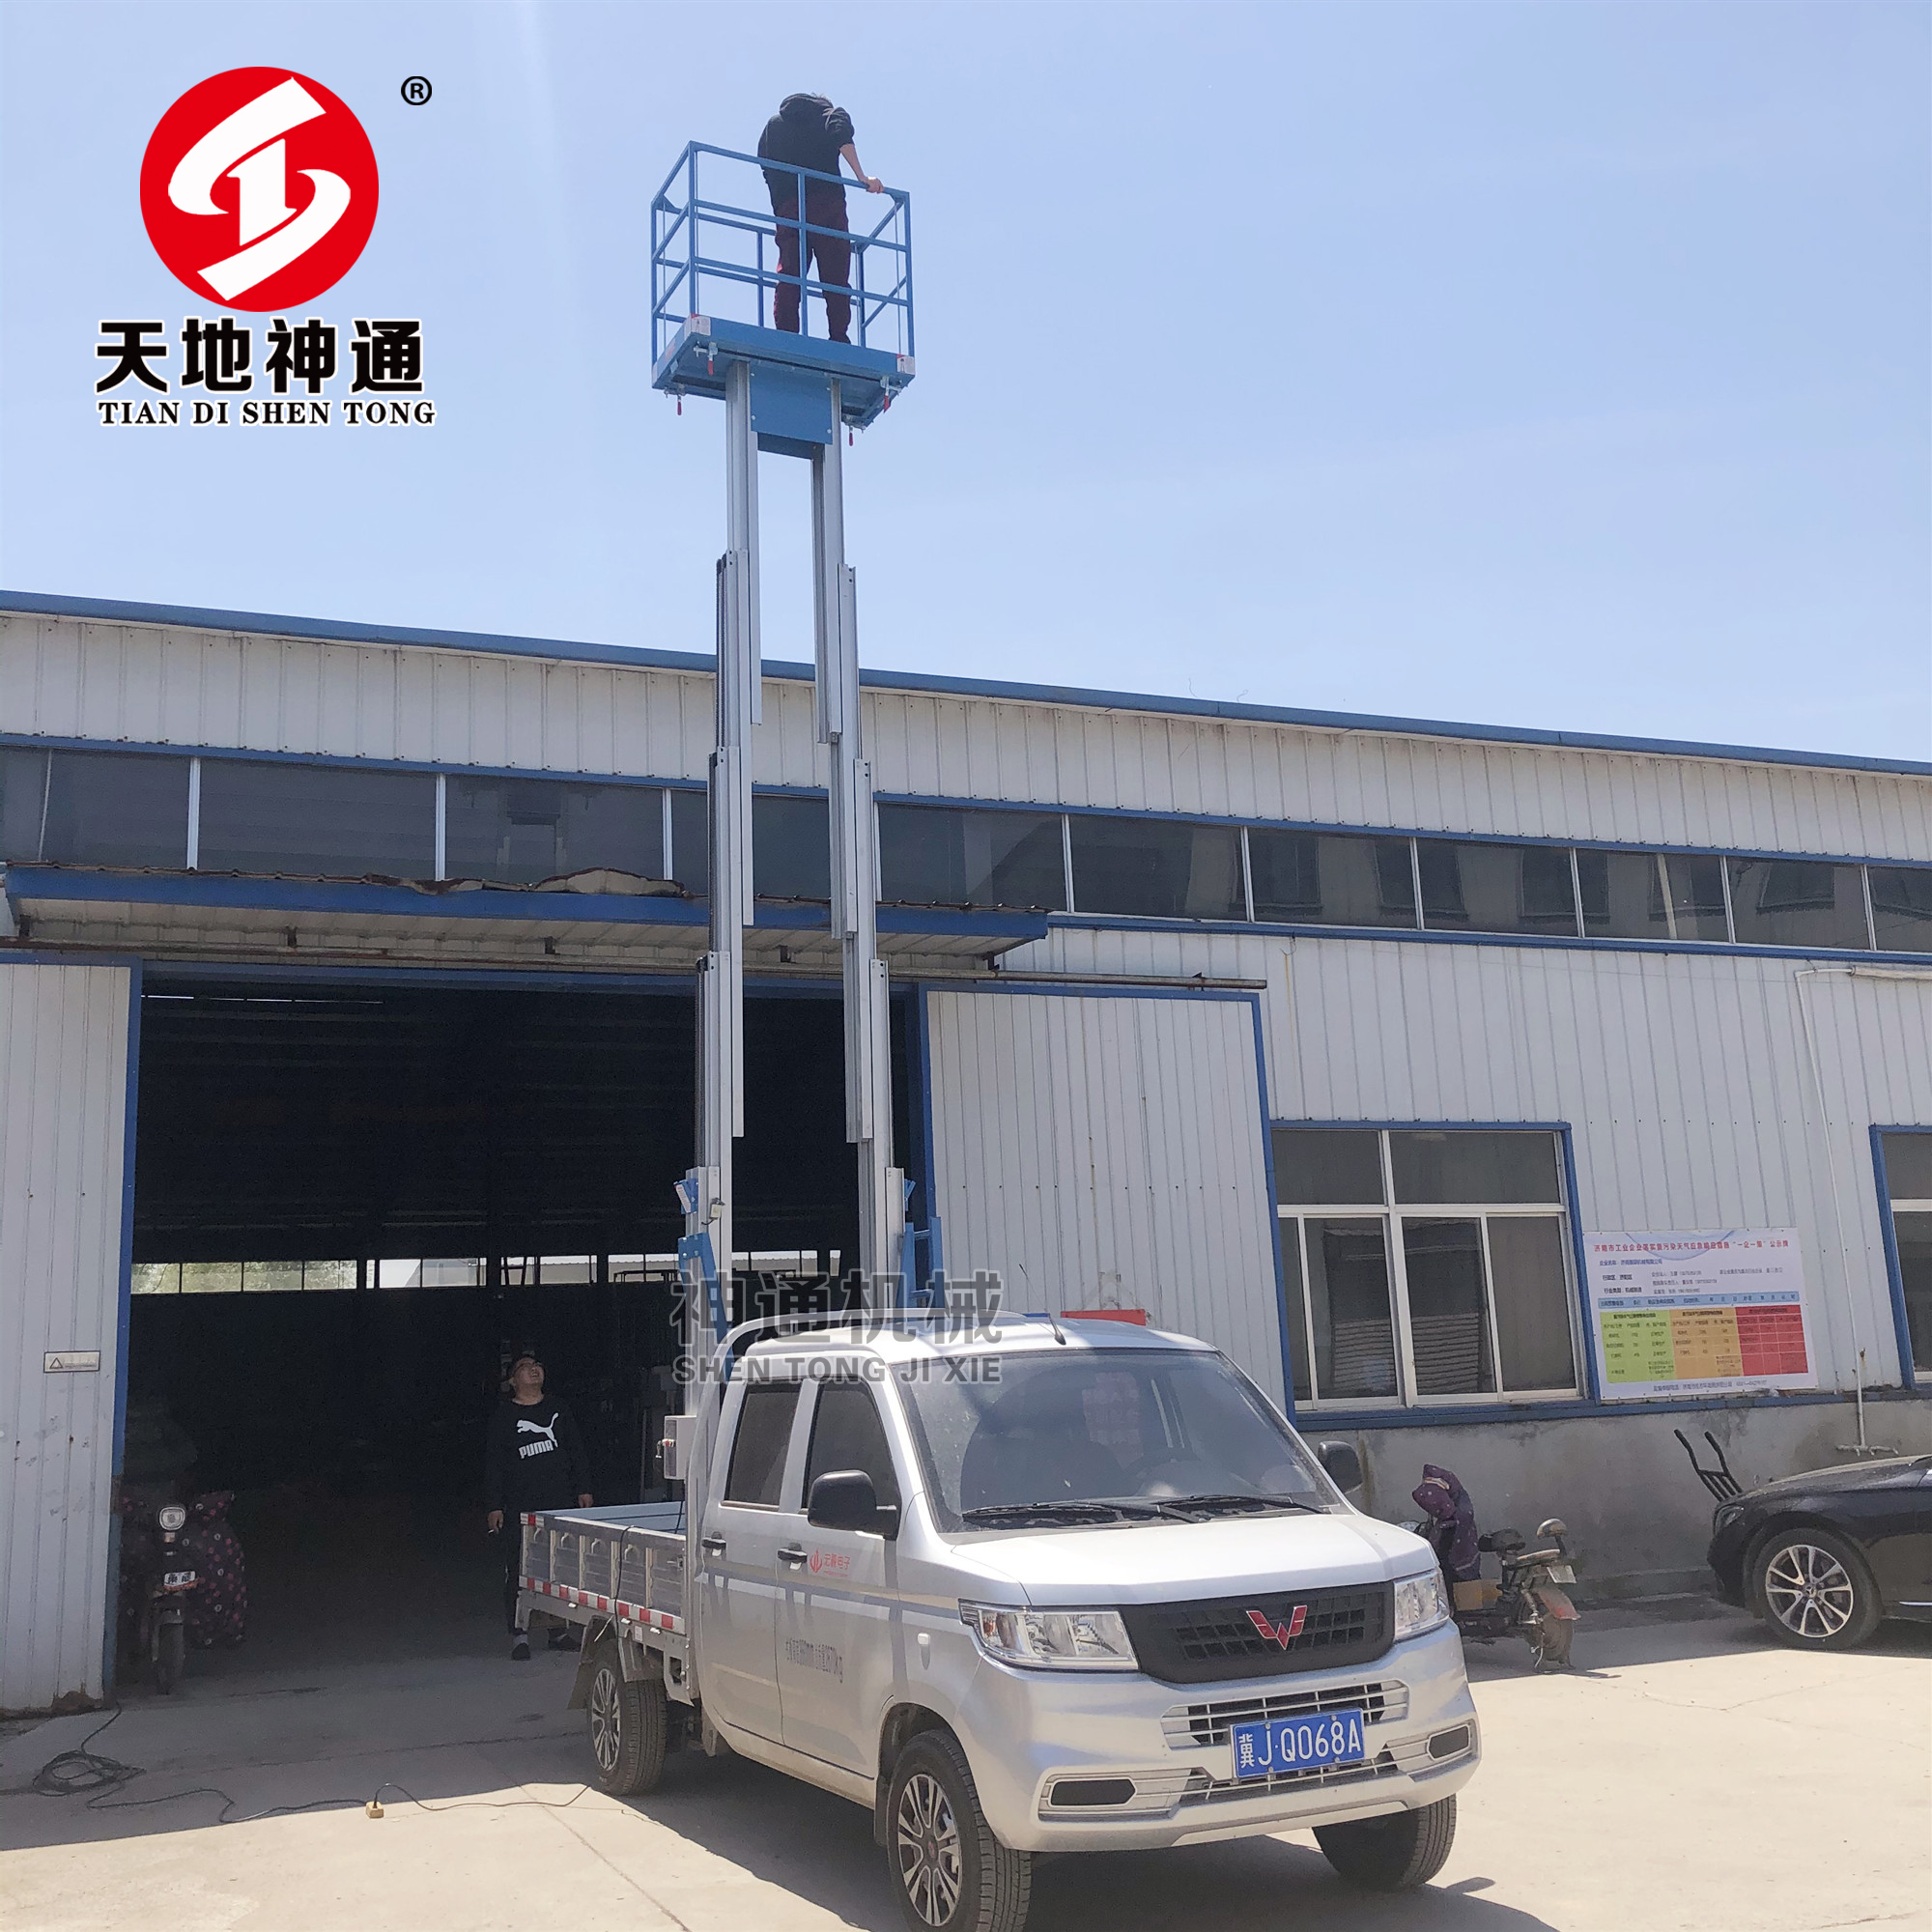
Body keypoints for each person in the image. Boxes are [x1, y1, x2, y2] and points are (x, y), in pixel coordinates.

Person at [484, 1346, 593, 1662]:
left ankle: (557, 1630)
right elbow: (494, 1464)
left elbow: (576, 1450)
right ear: (512, 1381)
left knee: (559, 1565)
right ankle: (519, 1634)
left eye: (537, 1364)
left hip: (559, 1501)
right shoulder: (504, 1416)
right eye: (525, 1366)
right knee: (519, 1568)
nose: (534, 1369)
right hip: (519, 1505)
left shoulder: (559, 1408)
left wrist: (584, 1488)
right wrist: (494, 1505)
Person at [755, 93, 885, 343]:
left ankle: (786, 336)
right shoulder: (830, 114)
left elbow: (765, 163)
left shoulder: (773, 125)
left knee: (789, 273)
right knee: (835, 276)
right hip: (827, 204)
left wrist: (780, 203)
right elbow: (840, 134)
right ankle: (838, 337)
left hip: (789, 209)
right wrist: (862, 177)